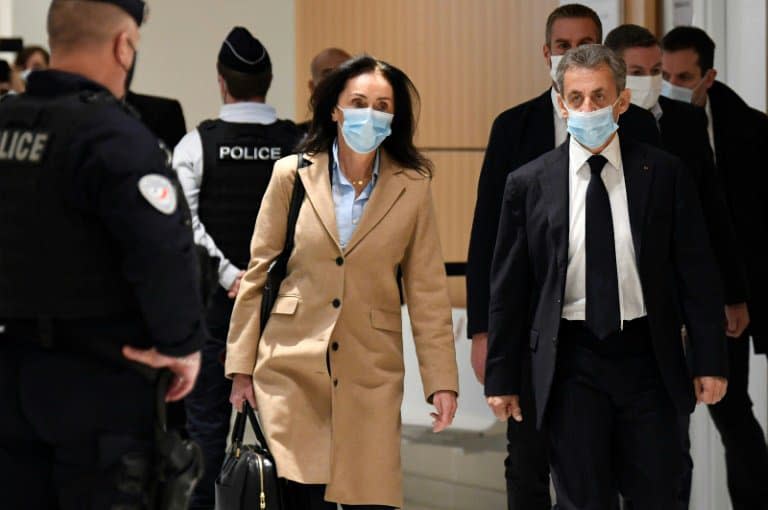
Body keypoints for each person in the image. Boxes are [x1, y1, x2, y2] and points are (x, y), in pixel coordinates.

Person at [485, 43, 729, 509]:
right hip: (570, 361)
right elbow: (509, 290)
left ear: (622, 101)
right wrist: (501, 377)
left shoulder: (664, 173)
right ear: (561, 103)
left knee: (658, 494)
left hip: (648, 359)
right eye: (576, 98)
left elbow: (697, 273)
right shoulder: (528, 183)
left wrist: (711, 359)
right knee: (581, 499)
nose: (588, 108)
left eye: (599, 96)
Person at [227, 55, 459, 510]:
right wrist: (240, 366)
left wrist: (442, 382)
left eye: (382, 105)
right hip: (290, 364)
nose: (369, 113)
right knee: (299, 496)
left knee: (367, 496)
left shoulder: (412, 186)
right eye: (358, 101)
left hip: (369, 370)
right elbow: (259, 272)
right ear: (335, 108)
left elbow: (428, 290)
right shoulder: (291, 175)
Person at [0, 1, 207, 508]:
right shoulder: (115, 136)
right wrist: (180, 344)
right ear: (124, 45)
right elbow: (161, 254)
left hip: (9, 377)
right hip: (100, 389)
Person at [465, 4, 659, 508]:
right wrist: (484, 330)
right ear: (546, 53)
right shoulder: (514, 126)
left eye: (586, 43)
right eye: (563, 46)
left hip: (609, 331)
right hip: (533, 328)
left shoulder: (638, 127)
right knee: (527, 459)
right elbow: (489, 236)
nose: (572, 54)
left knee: (603, 468)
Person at [605, 24, 751, 509]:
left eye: (655, 72)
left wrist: (731, 295)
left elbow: (714, 217)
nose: (650, 82)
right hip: (606, 315)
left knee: (672, 451)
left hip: (673, 316)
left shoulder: (685, 126)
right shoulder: (589, 126)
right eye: (640, 72)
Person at [173, 26, 301, 510]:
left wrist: (230, 277)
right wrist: (261, 279)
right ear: (268, 81)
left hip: (213, 312)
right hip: (284, 311)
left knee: (205, 427)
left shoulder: (195, 145)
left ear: (221, 83)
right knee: (287, 429)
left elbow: (183, 226)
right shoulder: (298, 143)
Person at [661, 25, 768, 510]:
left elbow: (746, 226)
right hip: (666, 293)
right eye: (664, 74)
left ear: (708, 77)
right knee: (666, 418)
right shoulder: (651, 121)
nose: (671, 84)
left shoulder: (751, 130)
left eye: (683, 76)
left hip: (728, 297)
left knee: (732, 411)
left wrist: (738, 295)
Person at [297, 47, 352, 133]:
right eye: (328, 75)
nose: (336, 82)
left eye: (343, 74)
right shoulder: (294, 139)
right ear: (312, 87)